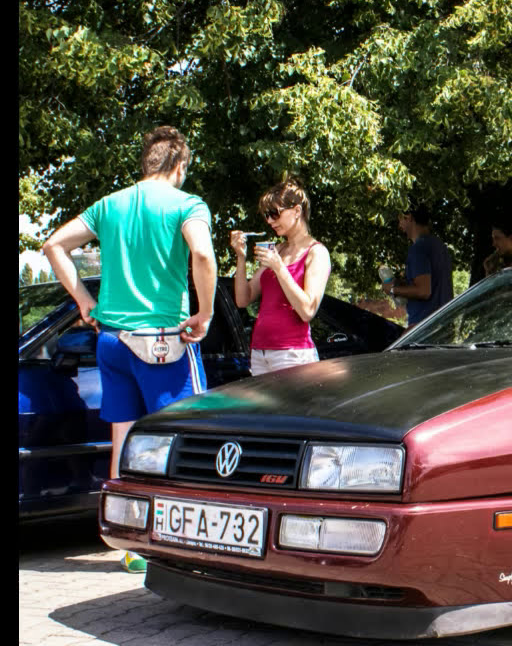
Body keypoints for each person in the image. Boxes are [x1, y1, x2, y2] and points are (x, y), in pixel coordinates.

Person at [43, 126, 216, 574]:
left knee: (123, 437)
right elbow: (202, 254)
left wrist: (84, 301)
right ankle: (180, 543)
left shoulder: (109, 205)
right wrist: (205, 312)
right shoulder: (186, 204)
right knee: (183, 436)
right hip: (163, 340)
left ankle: (131, 543)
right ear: (179, 165)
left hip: (112, 340)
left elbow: (54, 245)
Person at [229, 179, 330, 375]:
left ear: (297, 211)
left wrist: (278, 267)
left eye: (275, 214)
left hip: (292, 352)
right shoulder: (277, 250)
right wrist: (240, 256)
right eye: (267, 215)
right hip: (260, 351)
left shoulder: (316, 252)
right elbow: (243, 299)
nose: (269, 221)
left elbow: (307, 310)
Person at [381, 205, 453, 327]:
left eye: (400, 219)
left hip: (425, 327)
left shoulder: (418, 249)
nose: (399, 225)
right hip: (445, 324)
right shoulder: (439, 246)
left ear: (409, 217)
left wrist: (392, 289)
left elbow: (423, 291)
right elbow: (433, 284)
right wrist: (404, 285)